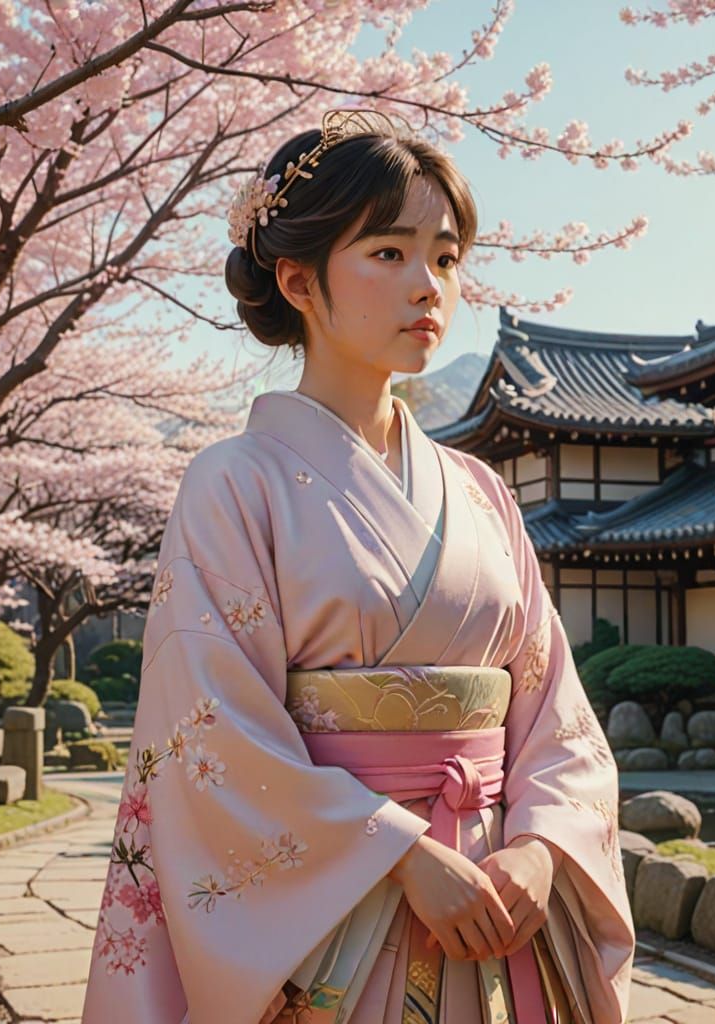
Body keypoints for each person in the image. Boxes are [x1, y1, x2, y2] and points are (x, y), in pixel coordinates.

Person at [80, 108, 634, 1024]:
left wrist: (543, 847)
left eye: (446, 258)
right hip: (340, 924)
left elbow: (553, 710)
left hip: (498, 896)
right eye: (388, 252)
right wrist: (400, 853)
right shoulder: (234, 484)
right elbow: (213, 732)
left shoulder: (481, 491)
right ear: (298, 279)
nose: (428, 286)